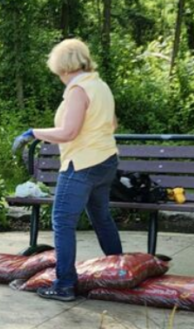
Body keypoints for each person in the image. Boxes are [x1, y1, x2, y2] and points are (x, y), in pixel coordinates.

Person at [12, 38, 123, 302]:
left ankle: (64, 285)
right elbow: (112, 124)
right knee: (101, 217)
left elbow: (68, 132)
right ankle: (120, 272)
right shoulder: (100, 85)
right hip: (106, 160)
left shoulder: (78, 90)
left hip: (82, 164)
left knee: (62, 221)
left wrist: (33, 133)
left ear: (63, 67)